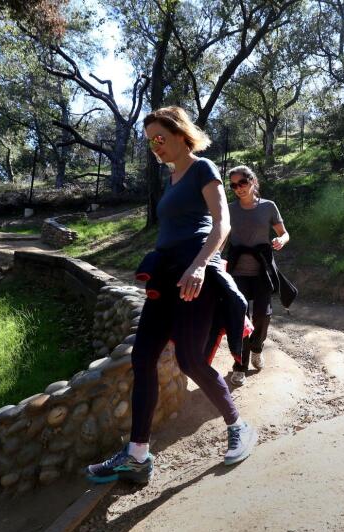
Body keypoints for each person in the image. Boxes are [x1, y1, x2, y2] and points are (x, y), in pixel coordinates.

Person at [87, 107, 258, 484]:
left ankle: (239, 425)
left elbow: (222, 223)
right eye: (150, 142)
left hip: (195, 270)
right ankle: (137, 455)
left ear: (181, 133)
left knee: (190, 360)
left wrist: (199, 265)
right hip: (165, 274)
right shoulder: (171, 179)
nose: (155, 147)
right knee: (143, 356)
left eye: (160, 138)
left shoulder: (202, 168)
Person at [226, 165, 296, 387]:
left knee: (263, 316)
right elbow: (220, 237)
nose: (238, 188)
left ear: (252, 182)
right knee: (240, 318)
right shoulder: (229, 209)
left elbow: (284, 233)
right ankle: (240, 366)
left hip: (262, 269)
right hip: (237, 271)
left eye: (242, 183)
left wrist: (281, 241)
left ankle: (257, 348)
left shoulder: (268, 207)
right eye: (234, 185)